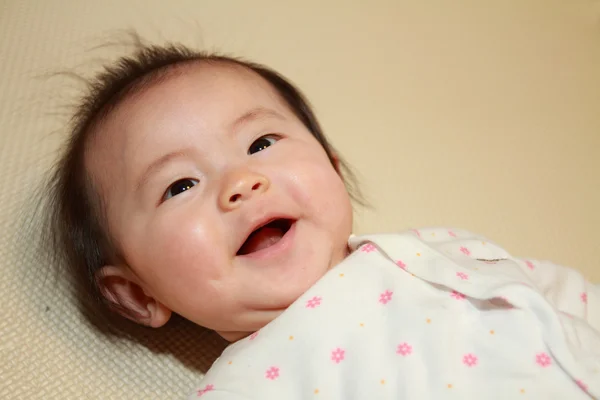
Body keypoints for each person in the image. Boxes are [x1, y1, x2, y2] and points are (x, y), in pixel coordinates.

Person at [46, 41, 599, 399]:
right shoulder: (249, 387)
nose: (241, 183)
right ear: (135, 294)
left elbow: (559, 293)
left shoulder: (440, 245)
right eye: (180, 185)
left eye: (261, 142)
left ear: (332, 167)